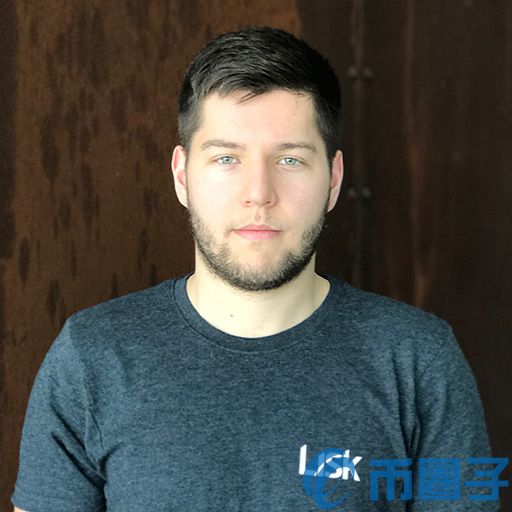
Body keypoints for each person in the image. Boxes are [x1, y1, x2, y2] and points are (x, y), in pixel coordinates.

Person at [12, 27, 499, 511]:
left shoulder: (420, 360)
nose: (259, 194)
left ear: (333, 180)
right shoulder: (91, 357)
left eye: (290, 159)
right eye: (227, 158)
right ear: (182, 176)